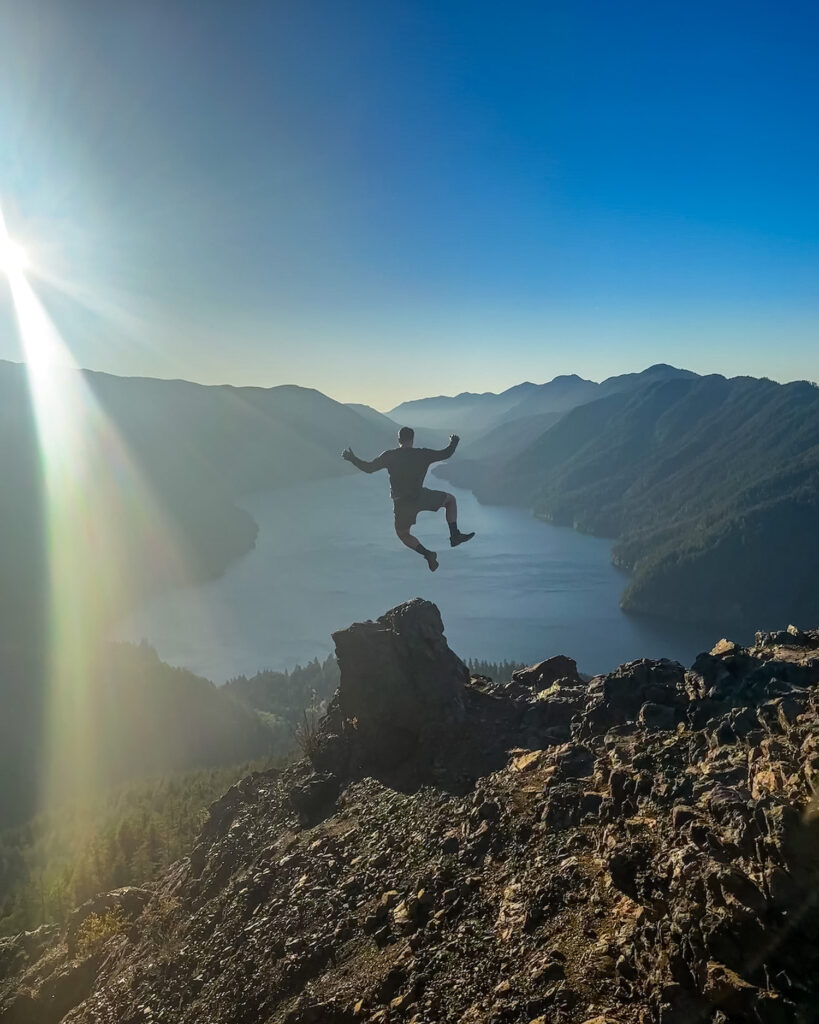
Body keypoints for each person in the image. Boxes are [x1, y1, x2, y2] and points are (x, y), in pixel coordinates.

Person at [342, 427, 475, 571]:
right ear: (413, 439)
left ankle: (428, 554)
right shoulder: (422, 454)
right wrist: (454, 441)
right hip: (420, 496)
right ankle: (454, 535)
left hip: (402, 504)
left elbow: (369, 468)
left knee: (403, 534)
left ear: (398, 440)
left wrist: (352, 459)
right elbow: (446, 453)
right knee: (451, 500)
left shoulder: (390, 456)